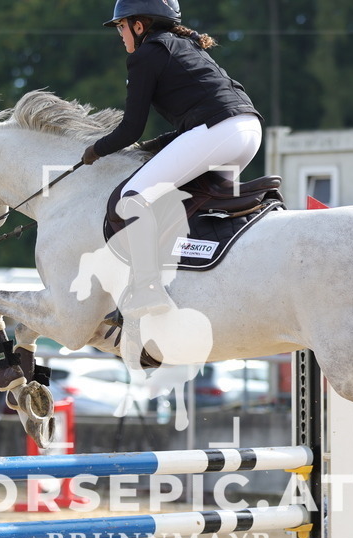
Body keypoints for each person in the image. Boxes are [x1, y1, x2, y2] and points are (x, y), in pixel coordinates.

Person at [81, 0, 263, 318]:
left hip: (219, 131)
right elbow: (193, 120)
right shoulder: (184, 46)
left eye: (121, 26)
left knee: (130, 199)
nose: (119, 34)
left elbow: (130, 128)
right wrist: (151, 146)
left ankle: (148, 292)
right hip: (248, 130)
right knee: (180, 206)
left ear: (140, 25)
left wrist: (95, 150)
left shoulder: (146, 55)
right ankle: (192, 287)